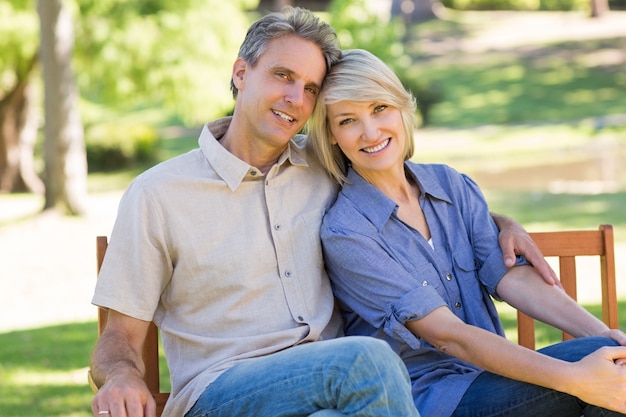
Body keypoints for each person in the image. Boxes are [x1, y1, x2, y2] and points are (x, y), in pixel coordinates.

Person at [89, 7, 555, 417]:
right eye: (282, 76)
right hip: (225, 392)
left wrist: (497, 222)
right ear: (240, 73)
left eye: (311, 88)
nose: (296, 98)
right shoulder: (158, 194)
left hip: (340, 393)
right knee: (366, 359)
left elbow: (408, 188)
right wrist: (121, 377)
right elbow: (119, 337)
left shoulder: (324, 166)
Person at [308, 48, 626, 417]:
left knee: (610, 365)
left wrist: (607, 335)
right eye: (348, 120)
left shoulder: (451, 185)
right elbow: (447, 335)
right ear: (331, 135)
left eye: (379, 108)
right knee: (601, 369)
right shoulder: (347, 232)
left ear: (400, 107)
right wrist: (575, 377)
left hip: (497, 378)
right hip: (431, 400)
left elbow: (512, 278)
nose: (371, 131)